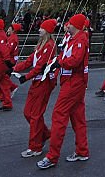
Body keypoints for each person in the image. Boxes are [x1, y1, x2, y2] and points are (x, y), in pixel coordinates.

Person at [38, 13, 91, 169]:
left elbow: (74, 60)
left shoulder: (80, 39)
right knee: (77, 117)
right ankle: (82, 150)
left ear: (74, 25)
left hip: (73, 82)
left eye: (69, 24)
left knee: (59, 116)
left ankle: (52, 156)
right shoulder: (75, 38)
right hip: (74, 81)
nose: (66, 26)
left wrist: (59, 63)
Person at [13, 19, 59, 158]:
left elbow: (39, 67)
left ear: (47, 31)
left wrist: (25, 77)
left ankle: (35, 147)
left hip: (44, 83)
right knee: (28, 112)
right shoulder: (42, 45)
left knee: (35, 115)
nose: (39, 30)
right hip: (37, 82)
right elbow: (30, 60)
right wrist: (13, 68)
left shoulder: (49, 46)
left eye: (41, 28)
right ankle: (44, 134)